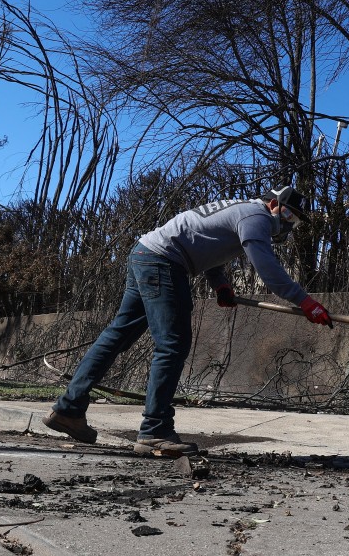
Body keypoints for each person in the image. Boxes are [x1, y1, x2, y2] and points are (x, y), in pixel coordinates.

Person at [43, 186, 333, 457]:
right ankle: (155, 430)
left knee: (117, 335)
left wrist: (220, 284)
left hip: (145, 253)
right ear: (273, 204)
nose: (289, 223)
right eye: (288, 215)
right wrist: (305, 302)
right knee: (173, 344)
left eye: (295, 221)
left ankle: (69, 409)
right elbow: (268, 269)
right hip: (164, 262)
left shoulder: (242, 210)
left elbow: (208, 244)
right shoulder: (256, 217)